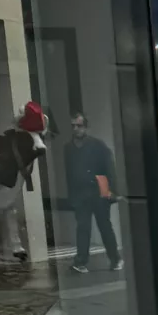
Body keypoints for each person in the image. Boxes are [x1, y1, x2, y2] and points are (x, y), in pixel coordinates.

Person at [65, 112, 122, 273]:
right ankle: (81, 261)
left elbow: (109, 168)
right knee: (83, 227)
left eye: (79, 126)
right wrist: (72, 196)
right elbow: (69, 173)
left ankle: (115, 258)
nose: (76, 129)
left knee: (104, 226)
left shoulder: (98, 145)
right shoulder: (68, 148)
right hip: (81, 193)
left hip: (98, 190)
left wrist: (111, 191)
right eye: (73, 126)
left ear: (86, 127)